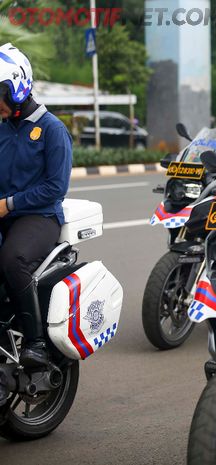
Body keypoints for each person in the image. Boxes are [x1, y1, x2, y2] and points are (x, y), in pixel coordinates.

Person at [0, 43, 72, 368]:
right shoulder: (2, 130)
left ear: (17, 89)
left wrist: (9, 204)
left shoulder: (53, 130)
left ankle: (36, 343)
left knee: (13, 260)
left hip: (39, 216)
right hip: (4, 211)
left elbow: (56, 188)